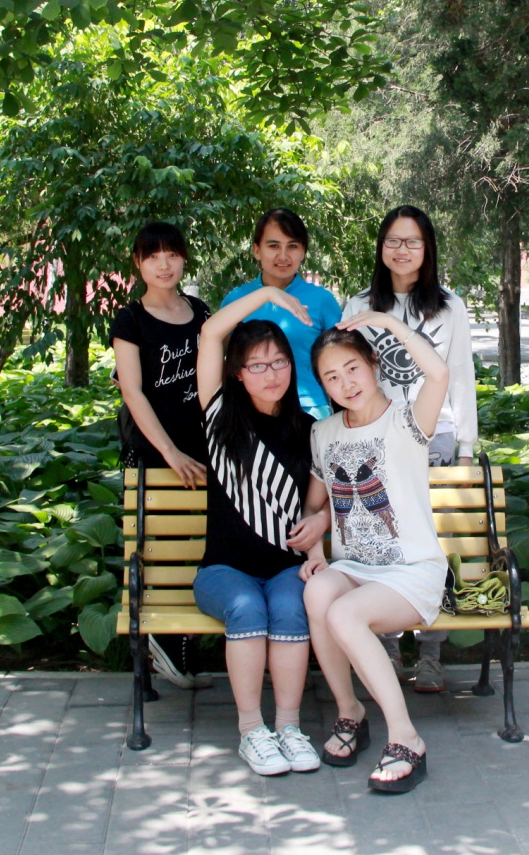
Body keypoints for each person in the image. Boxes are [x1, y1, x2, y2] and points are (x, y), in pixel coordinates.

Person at [303, 314, 451, 794]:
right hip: (354, 567)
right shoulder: (324, 432)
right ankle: (351, 713)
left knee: (343, 613)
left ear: (372, 363)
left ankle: (406, 738)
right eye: (331, 377)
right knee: (317, 592)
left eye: (352, 368)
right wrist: (315, 541)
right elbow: (316, 504)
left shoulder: (407, 420)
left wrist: (388, 323)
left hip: (411, 571)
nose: (345, 383)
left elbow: (439, 373)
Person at [191, 285, 332, 776]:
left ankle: (289, 729)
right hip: (223, 571)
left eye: (279, 362)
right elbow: (211, 333)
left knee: (291, 608)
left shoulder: (309, 429)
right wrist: (269, 291)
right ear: (237, 372)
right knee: (247, 607)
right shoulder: (219, 416)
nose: (271, 374)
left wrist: (321, 522)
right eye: (256, 365)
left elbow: (324, 502)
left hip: (285, 568)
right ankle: (252, 731)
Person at [341, 205, 478, 694]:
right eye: (393, 241)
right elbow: (346, 375)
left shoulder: (449, 307)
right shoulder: (359, 305)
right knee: (381, 545)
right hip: (376, 444)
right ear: (381, 247)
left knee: (431, 547)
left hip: (433, 441)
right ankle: (387, 648)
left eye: (412, 242)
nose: (402, 250)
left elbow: (459, 375)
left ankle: (432, 654)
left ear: (427, 249)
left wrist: (466, 448)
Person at [109, 221, 212, 690]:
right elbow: (131, 391)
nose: (164, 264)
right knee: (157, 549)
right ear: (138, 263)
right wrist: (169, 452)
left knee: (198, 546)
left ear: (184, 258)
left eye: (172, 254)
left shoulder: (199, 311)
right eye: (153, 256)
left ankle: (182, 653)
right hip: (154, 453)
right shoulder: (129, 320)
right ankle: (161, 646)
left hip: (202, 449)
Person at [222, 208, 342, 419]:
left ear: (303, 251)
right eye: (274, 246)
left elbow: (342, 358)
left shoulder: (322, 300)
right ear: (256, 250)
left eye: (293, 246)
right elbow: (220, 357)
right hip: (250, 412)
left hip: (309, 410)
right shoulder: (236, 300)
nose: (283, 256)